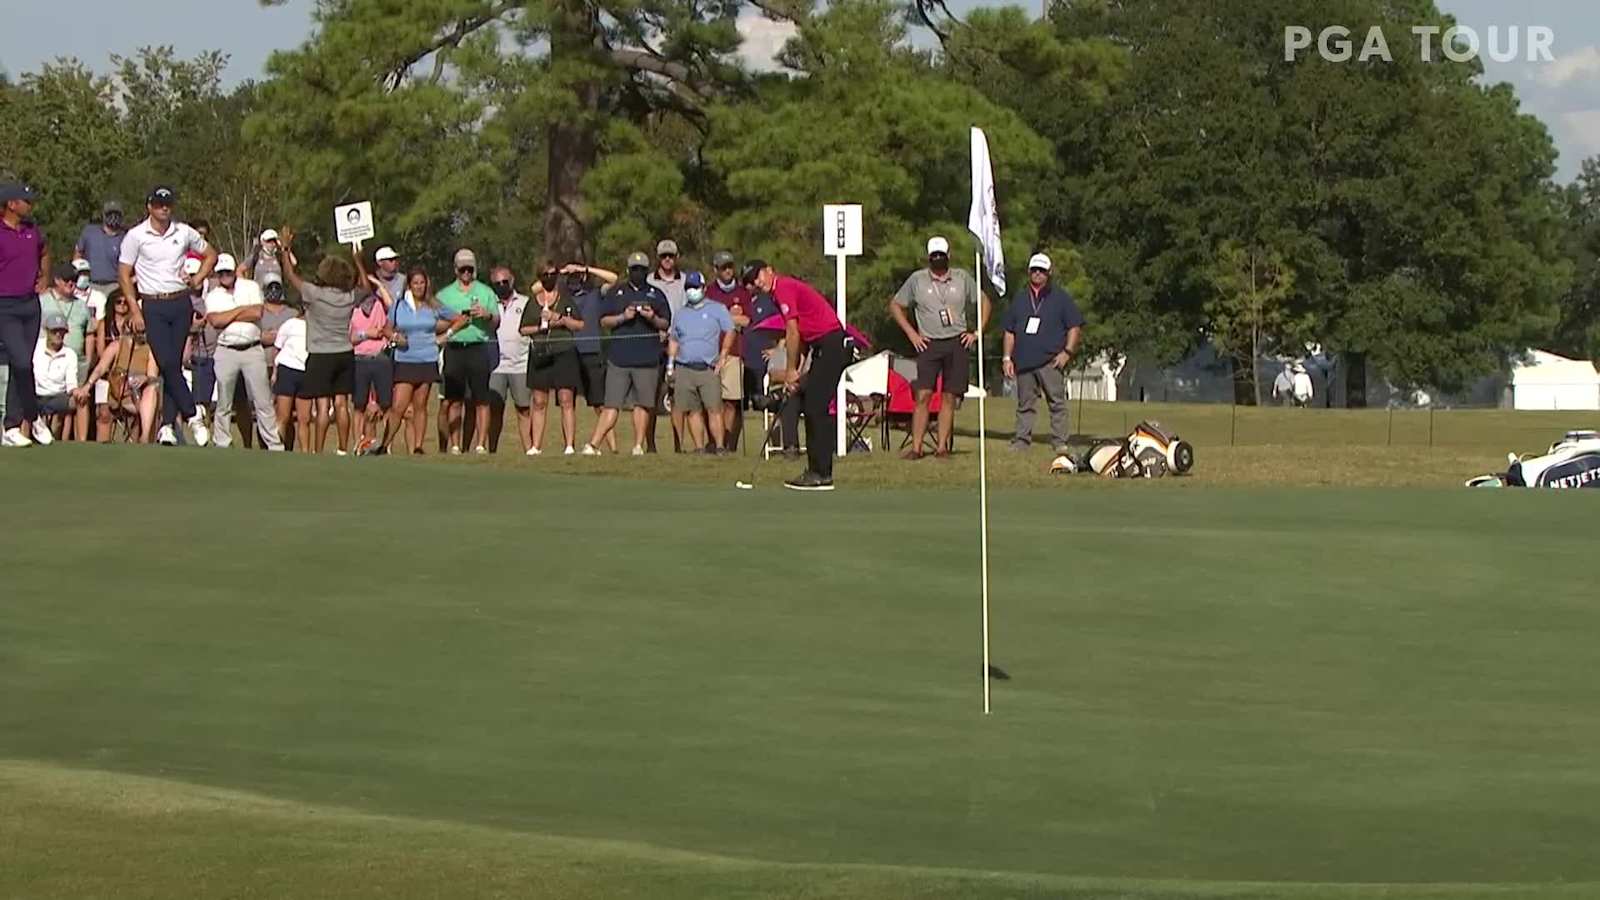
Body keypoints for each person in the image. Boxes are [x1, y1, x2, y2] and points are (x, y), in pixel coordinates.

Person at [116, 185, 214, 447]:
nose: (164, 208)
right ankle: (192, 414)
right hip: (153, 304)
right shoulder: (136, 236)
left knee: (173, 365)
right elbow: (123, 273)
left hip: (179, 301)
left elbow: (211, 255)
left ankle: (168, 425)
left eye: (167, 204)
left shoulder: (183, 232)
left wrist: (197, 279)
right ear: (149, 206)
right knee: (166, 362)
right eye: (159, 204)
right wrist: (134, 309)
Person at [741, 260, 847, 491]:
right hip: (821, 346)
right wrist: (798, 370)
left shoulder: (783, 287)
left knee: (815, 407)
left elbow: (792, 331)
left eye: (758, 275)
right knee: (811, 405)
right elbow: (804, 336)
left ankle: (820, 473)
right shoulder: (777, 294)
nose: (757, 282)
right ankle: (818, 471)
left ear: (769, 270)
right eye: (752, 281)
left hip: (831, 343)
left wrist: (790, 370)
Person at [889, 236, 990, 459]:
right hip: (928, 343)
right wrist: (912, 334)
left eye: (941, 255)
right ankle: (916, 448)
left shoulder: (962, 278)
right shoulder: (917, 280)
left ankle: (942, 447)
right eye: (934, 256)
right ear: (928, 257)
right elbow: (896, 305)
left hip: (957, 342)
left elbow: (984, 301)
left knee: (949, 397)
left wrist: (977, 333)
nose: (938, 259)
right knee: (923, 395)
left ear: (948, 256)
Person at [275, 226, 360, 454]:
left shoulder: (314, 293)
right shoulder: (348, 296)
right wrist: (357, 259)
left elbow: (290, 275)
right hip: (344, 353)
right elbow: (366, 286)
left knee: (323, 405)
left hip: (321, 355)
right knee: (341, 404)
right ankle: (342, 449)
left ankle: (318, 451)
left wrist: (285, 249)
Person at [582, 251, 669, 456]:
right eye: (634, 269)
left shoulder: (656, 294)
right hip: (619, 359)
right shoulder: (616, 292)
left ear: (647, 271)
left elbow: (665, 323)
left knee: (643, 405)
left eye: (642, 269)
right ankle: (593, 445)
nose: (638, 273)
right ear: (629, 270)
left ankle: (638, 446)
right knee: (611, 405)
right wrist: (623, 317)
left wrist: (651, 317)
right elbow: (604, 321)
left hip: (647, 359)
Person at [1001, 253, 1083, 453]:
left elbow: (1074, 326)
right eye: (1034, 270)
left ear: (1049, 273)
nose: (1038, 274)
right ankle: (1022, 440)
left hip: (1050, 361)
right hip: (1024, 361)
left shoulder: (1061, 298)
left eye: (1042, 271)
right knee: (1024, 404)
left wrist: (1067, 352)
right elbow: (1009, 331)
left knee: (1057, 403)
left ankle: (1060, 441)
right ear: (1029, 272)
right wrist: (1007, 358)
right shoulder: (1020, 299)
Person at [203, 253, 283, 450]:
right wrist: (241, 311)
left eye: (228, 272)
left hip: (252, 348)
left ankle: (273, 444)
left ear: (234, 271)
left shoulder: (250, 287)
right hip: (226, 350)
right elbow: (216, 321)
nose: (225, 276)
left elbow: (256, 312)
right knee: (224, 402)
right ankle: (222, 442)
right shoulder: (213, 295)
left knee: (263, 400)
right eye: (221, 273)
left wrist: (229, 315)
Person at [381, 268, 457, 455]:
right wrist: (395, 337)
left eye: (422, 283)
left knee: (420, 405)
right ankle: (384, 444)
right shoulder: (399, 305)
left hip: (427, 358)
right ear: (409, 285)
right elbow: (387, 329)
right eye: (415, 283)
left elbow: (460, 319)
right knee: (399, 406)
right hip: (405, 359)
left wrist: (446, 335)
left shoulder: (433, 305)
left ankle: (418, 447)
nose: (419, 286)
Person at [0, 181, 49, 447]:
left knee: (22, 363)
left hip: (30, 304)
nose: (30, 205)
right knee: (20, 362)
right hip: (5, 306)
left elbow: (45, 251)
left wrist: (45, 277)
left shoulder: (32, 230)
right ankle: (32, 415)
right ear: (11, 204)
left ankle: (11, 426)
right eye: (26, 201)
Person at [436, 248, 499, 454]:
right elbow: (435, 324)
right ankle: (455, 444)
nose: (466, 273)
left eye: (469, 269)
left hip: (478, 348)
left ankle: (480, 445)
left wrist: (487, 315)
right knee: (454, 399)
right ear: (455, 270)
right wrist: (456, 321)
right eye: (462, 269)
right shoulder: (444, 295)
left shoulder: (486, 292)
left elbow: (496, 322)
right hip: (454, 348)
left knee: (481, 399)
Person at [668, 271, 735, 453]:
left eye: (695, 287)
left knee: (714, 409)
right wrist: (670, 365)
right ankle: (699, 447)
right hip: (684, 367)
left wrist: (723, 354)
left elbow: (730, 330)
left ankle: (719, 446)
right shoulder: (680, 313)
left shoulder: (717, 309)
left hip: (708, 368)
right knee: (692, 411)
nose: (692, 291)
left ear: (704, 288)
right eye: (689, 288)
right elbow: (674, 340)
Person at [521, 263, 584, 455]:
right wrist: (542, 327)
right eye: (545, 275)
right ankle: (536, 446)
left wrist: (561, 319)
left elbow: (580, 325)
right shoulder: (533, 302)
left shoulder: (565, 299)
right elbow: (523, 329)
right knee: (539, 401)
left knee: (566, 399)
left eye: (553, 274)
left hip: (564, 352)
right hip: (540, 353)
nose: (549, 278)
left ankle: (569, 446)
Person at [87, 292, 160, 443]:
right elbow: (101, 368)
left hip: (139, 391)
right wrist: (87, 386)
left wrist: (144, 378)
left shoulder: (151, 349)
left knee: (151, 390)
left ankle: (145, 437)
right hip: (118, 389)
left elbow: (152, 375)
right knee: (105, 408)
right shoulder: (117, 345)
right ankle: (103, 443)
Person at [565, 261, 619, 452]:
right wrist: (561, 271)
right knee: (567, 403)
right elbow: (536, 288)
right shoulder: (562, 296)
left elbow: (614, 279)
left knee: (599, 404)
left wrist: (584, 269)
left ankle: (612, 448)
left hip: (591, 352)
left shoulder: (595, 294)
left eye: (577, 276)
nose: (574, 279)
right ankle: (569, 446)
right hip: (569, 353)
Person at [39, 262, 95, 439]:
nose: (72, 283)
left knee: (79, 400)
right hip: (47, 360)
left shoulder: (81, 306)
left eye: (74, 280)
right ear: (56, 280)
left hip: (76, 360)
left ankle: (79, 443)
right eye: (67, 280)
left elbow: (89, 334)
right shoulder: (43, 301)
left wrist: (88, 359)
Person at [705, 250, 751, 450]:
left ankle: (727, 443)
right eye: (723, 267)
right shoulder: (709, 292)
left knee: (731, 401)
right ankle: (715, 441)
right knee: (712, 402)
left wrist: (722, 317)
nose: (728, 271)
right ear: (716, 269)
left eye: (730, 266)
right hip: (712, 353)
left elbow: (747, 320)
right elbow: (706, 320)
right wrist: (730, 318)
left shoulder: (743, 293)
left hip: (734, 352)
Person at [348, 263, 393, 454]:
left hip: (380, 358)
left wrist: (379, 284)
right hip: (359, 358)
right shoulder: (352, 308)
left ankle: (386, 445)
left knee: (386, 404)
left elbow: (392, 305)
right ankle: (358, 443)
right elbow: (350, 338)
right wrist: (367, 334)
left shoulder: (379, 304)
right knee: (359, 405)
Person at [487, 264, 531, 453]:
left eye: (505, 281)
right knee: (494, 410)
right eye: (497, 283)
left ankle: (529, 450)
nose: (501, 286)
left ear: (512, 281)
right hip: (495, 366)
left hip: (520, 364)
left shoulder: (525, 302)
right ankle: (491, 450)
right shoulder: (489, 304)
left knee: (524, 409)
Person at [647, 238, 687, 452]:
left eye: (671, 255)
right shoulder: (649, 281)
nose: (667, 259)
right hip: (655, 343)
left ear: (676, 257)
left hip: (679, 344)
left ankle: (678, 444)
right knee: (651, 395)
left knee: (677, 396)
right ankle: (650, 444)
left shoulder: (685, 281)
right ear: (658, 258)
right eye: (664, 256)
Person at [271, 302, 313, 453]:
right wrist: (275, 373)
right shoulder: (290, 324)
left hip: (307, 373)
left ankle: (305, 452)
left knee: (304, 418)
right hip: (287, 370)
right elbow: (277, 348)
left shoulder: (317, 327)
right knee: (283, 416)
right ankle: (277, 449)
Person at [32, 313, 78, 442]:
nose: (58, 334)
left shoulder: (70, 354)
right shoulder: (34, 346)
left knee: (78, 402)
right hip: (35, 394)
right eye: (54, 331)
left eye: (62, 331)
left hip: (58, 395)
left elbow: (71, 384)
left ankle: (69, 442)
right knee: (23, 402)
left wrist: (77, 391)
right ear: (47, 331)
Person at [74, 200, 126, 298]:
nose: (113, 217)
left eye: (116, 214)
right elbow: (78, 254)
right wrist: (79, 277)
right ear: (104, 215)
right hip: (90, 285)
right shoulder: (89, 232)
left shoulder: (126, 237)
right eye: (110, 214)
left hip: (114, 286)